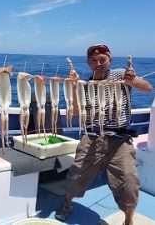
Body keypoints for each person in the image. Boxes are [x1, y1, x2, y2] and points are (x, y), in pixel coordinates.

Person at [55, 44, 153, 225]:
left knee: (129, 183)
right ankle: (67, 203)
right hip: (92, 138)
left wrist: (133, 81)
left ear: (110, 60)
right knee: (75, 176)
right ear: (88, 63)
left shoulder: (119, 75)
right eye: (93, 60)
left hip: (120, 141)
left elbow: (147, 88)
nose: (98, 63)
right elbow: (76, 111)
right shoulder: (85, 84)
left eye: (102, 59)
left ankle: (128, 220)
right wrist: (75, 87)